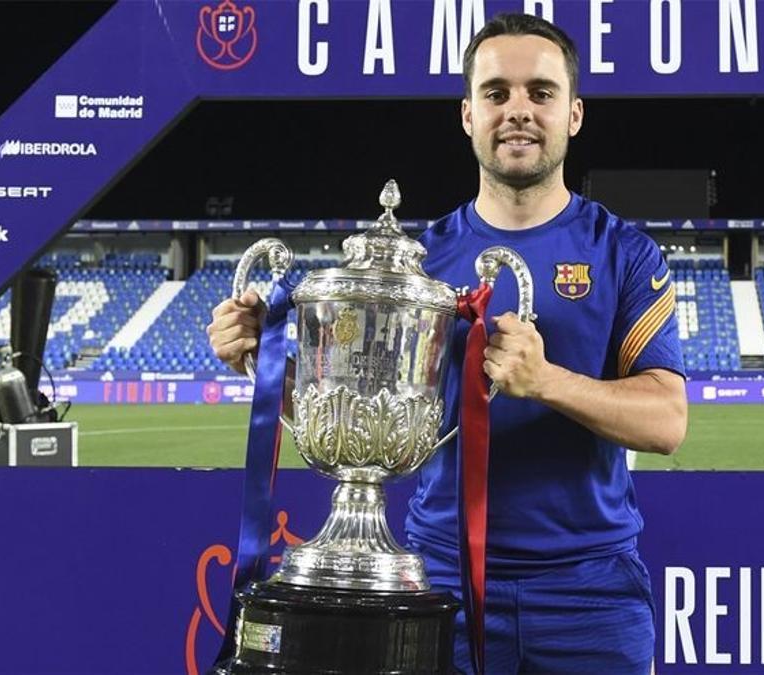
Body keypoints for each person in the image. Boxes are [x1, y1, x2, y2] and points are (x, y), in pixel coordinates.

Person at [208, 13, 688, 673]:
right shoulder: (415, 265)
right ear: (468, 115)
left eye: (540, 93)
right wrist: (263, 364)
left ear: (573, 114)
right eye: (497, 93)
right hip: (439, 580)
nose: (518, 109)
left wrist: (545, 378)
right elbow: (366, 421)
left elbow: (666, 420)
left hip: (591, 590)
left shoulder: (624, 252)